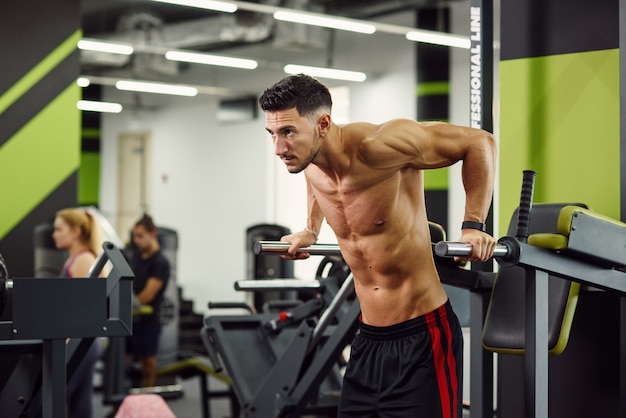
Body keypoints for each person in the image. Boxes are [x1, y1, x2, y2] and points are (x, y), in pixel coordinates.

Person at [259, 74, 497, 418]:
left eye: (288, 132)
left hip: (422, 337)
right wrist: (310, 229)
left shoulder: (380, 145)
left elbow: (480, 142)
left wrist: (473, 225)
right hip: (368, 340)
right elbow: (319, 185)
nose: (279, 148)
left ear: (323, 124)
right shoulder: (308, 160)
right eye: (273, 134)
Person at [52, 207, 106, 418]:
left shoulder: (84, 261)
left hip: (81, 341)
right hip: (80, 339)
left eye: (59, 229)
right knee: (80, 405)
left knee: (57, 400)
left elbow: (89, 308)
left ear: (76, 232)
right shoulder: (74, 259)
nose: (54, 234)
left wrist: (67, 339)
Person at [127, 214, 170, 388]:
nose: (136, 240)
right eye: (134, 236)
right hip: (130, 318)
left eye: (140, 236)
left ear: (153, 234)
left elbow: (147, 296)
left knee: (148, 363)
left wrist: (127, 303)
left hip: (149, 321)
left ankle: (148, 402)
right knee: (123, 358)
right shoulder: (136, 257)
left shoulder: (160, 262)